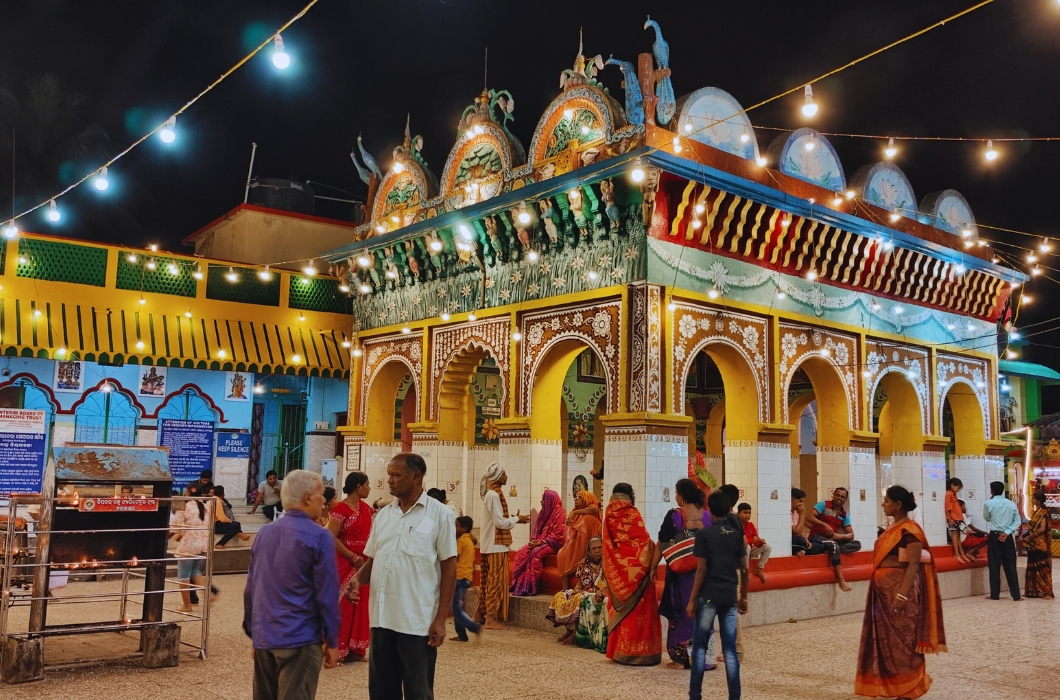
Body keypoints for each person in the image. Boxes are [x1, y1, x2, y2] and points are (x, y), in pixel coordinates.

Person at [346, 453, 457, 700]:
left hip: (417, 622)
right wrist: (357, 580)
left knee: (418, 692)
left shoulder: (440, 515)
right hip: (382, 619)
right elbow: (373, 560)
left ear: (416, 476)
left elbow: (449, 567)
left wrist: (440, 619)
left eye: (396, 475)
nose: (390, 481)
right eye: (389, 475)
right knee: (382, 690)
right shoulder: (384, 516)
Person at [244, 470, 340, 700]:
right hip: (300, 637)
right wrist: (333, 640)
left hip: (266, 636)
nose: (324, 500)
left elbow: (251, 588)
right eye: (320, 494)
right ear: (308, 498)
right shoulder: (319, 536)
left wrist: (254, 634)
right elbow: (326, 594)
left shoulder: (265, 533)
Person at [855, 485, 946, 698]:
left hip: (899, 593)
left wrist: (902, 595)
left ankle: (911, 686)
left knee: (904, 642)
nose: (883, 504)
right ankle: (892, 684)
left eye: (886, 501)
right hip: (883, 596)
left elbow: (914, 563)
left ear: (898, 505)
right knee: (887, 643)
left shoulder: (909, 530)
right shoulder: (893, 528)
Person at [687, 490, 748, 700]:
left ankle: (695, 696)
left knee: (700, 649)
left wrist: (693, 599)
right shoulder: (736, 535)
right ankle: (734, 696)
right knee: (730, 651)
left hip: (708, 598)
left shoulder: (704, 534)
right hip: (729, 598)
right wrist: (744, 597)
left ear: (709, 510)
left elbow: (701, 569)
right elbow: (745, 568)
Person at [601, 482, 661, 666]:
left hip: (618, 574)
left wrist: (615, 570)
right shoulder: (633, 513)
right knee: (640, 612)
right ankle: (644, 652)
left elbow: (607, 546)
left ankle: (620, 652)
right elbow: (643, 543)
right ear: (630, 495)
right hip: (639, 575)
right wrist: (655, 553)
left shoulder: (608, 515)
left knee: (622, 615)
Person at [658, 478, 711, 670]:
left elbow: (662, 542)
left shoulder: (675, 516)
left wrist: (651, 567)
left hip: (682, 577)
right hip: (705, 574)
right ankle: (705, 658)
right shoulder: (707, 516)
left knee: (682, 613)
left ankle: (680, 660)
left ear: (681, 495)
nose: (675, 496)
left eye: (676, 492)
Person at [328, 472, 373, 663]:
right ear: (358, 487)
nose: (370, 488)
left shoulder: (366, 509)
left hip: (363, 563)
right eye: (367, 485)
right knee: (343, 603)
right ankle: (338, 648)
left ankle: (357, 648)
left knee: (360, 603)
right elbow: (331, 536)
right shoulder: (340, 508)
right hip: (345, 560)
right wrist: (352, 556)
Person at [478, 463, 529, 629]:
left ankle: (478, 614)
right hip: (496, 545)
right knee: (496, 582)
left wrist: (514, 517)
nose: (506, 476)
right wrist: (516, 519)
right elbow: (499, 522)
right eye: (504, 474)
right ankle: (490, 618)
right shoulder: (493, 495)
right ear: (498, 477)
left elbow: (497, 519)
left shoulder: (492, 494)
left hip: (490, 544)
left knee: (487, 580)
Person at [546, 537, 603, 644]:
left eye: (600, 547)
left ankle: (575, 633)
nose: (597, 551)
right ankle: (569, 630)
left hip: (597, 594)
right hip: (584, 592)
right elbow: (581, 582)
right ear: (589, 551)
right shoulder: (585, 562)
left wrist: (584, 592)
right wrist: (576, 588)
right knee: (561, 595)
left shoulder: (607, 564)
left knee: (578, 598)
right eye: (594, 548)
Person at [511, 489, 567, 596]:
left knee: (535, 553)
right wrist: (534, 542)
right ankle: (517, 583)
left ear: (550, 500)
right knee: (521, 552)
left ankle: (530, 586)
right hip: (541, 542)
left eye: (543, 499)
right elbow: (537, 531)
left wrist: (539, 544)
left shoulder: (560, 513)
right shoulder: (544, 512)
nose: (541, 502)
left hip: (554, 544)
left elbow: (558, 535)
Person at [805, 487, 861, 592]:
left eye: (842, 497)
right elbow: (809, 517)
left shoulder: (844, 515)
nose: (839, 498)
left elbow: (851, 535)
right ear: (833, 495)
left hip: (832, 539)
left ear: (845, 500)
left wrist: (839, 536)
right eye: (837, 495)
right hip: (817, 537)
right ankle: (841, 580)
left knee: (857, 544)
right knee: (834, 545)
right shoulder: (823, 505)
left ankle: (831, 549)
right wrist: (824, 525)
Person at [174, 483, 216, 613]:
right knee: (195, 571)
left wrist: (177, 536)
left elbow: (177, 527)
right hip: (202, 543)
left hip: (189, 545)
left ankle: (187, 605)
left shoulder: (184, 506)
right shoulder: (204, 506)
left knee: (183, 575)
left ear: (187, 492)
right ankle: (209, 594)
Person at [983, 480, 1021, 601]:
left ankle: (995, 595)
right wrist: (1007, 532)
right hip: (1008, 538)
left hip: (994, 537)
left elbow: (987, 518)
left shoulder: (988, 503)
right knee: (1010, 566)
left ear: (992, 491)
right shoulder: (1011, 504)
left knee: (994, 566)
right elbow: (1017, 521)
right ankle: (1016, 596)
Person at [451, 516, 482, 642]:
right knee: (457, 607)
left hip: (459, 577)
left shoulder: (462, 541)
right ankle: (461, 634)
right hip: (465, 577)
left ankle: (474, 627)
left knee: (457, 608)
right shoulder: (469, 541)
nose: (455, 528)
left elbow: (454, 558)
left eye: (457, 526)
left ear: (464, 528)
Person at [556, 489, 602, 576]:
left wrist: (574, 513)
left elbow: (594, 509)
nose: (575, 499)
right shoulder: (580, 514)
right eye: (575, 497)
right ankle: (565, 588)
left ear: (587, 499)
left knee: (563, 554)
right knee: (562, 553)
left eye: (579, 497)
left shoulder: (589, 514)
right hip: (578, 545)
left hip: (586, 548)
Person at [1023, 491, 1054, 599]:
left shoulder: (1044, 513)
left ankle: (1047, 592)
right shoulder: (1036, 512)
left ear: (1039, 501)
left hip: (1040, 544)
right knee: (1033, 567)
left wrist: (1030, 537)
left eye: (1033, 498)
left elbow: (1042, 529)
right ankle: (1034, 591)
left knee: (1042, 568)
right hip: (1033, 544)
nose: (1032, 500)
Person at [737, 503, 771, 584]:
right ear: (738, 513)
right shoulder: (735, 525)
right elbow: (739, 541)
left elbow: (755, 541)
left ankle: (759, 570)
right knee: (747, 547)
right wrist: (752, 540)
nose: (748, 515)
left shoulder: (751, 525)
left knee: (767, 547)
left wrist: (760, 542)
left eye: (749, 513)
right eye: (745, 512)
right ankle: (745, 572)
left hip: (749, 552)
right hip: (738, 553)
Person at [945, 478, 970, 563]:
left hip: (958, 518)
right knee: (955, 536)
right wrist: (949, 518)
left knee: (958, 535)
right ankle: (957, 553)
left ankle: (961, 553)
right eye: (957, 488)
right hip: (953, 518)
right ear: (952, 485)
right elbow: (947, 507)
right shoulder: (948, 494)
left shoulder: (953, 494)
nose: (958, 490)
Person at [791, 488, 810, 556]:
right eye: (800, 501)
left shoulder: (796, 513)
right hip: (790, 540)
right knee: (800, 541)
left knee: (818, 543)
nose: (802, 504)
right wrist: (802, 515)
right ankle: (800, 550)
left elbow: (801, 530)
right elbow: (796, 532)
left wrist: (807, 540)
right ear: (792, 500)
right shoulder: (787, 514)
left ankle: (802, 549)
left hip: (799, 540)